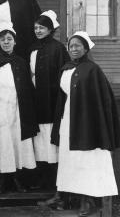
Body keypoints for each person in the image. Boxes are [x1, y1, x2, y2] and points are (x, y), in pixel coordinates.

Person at [51, 31, 120, 216]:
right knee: (69, 159)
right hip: (68, 120)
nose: (73, 49)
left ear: (85, 48)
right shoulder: (66, 68)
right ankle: (66, 196)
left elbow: (102, 100)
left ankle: (88, 201)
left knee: (86, 159)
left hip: (86, 123)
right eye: (71, 46)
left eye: (77, 46)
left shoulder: (92, 70)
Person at [0, 22, 39, 194]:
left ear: (15, 42)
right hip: (0, 106)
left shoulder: (21, 63)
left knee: (17, 142)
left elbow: (27, 90)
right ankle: (1, 180)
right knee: (3, 142)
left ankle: (16, 179)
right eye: (3, 40)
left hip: (18, 108)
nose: (6, 42)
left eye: (9, 39)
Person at [30, 10, 70, 189]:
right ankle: (42, 177)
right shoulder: (32, 48)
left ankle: (54, 180)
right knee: (39, 140)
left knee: (51, 139)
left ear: (50, 29)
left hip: (53, 101)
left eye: (42, 28)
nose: (38, 31)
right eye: (36, 28)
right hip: (36, 101)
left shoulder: (58, 48)